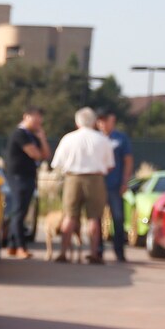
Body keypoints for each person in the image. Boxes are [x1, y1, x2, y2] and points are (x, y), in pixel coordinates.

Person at [51, 107, 116, 264]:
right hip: (95, 179)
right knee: (94, 217)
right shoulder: (102, 139)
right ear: (94, 122)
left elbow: (57, 163)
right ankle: (94, 253)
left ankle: (63, 252)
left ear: (77, 122)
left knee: (70, 216)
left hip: (73, 178)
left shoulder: (68, 138)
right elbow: (110, 165)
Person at [4, 108, 49, 258]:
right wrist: (39, 149)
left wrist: (42, 138)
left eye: (39, 122)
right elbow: (36, 154)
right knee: (19, 212)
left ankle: (11, 245)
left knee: (20, 212)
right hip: (18, 177)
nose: (38, 124)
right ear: (26, 117)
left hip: (29, 177)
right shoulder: (20, 134)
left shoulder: (33, 136)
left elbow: (45, 155)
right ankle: (20, 247)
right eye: (35, 121)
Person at [95, 108, 134, 263]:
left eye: (105, 120)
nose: (102, 124)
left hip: (115, 184)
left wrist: (125, 181)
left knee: (118, 218)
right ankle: (97, 250)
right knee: (96, 218)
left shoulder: (120, 138)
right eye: (100, 120)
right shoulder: (94, 138)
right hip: (97, 185)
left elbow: (128, 161)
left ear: (113, 120)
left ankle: (119, 251)